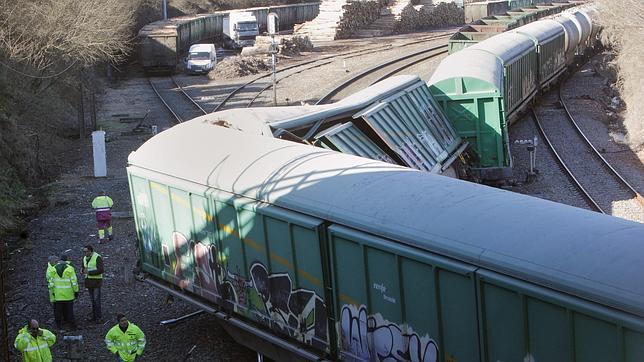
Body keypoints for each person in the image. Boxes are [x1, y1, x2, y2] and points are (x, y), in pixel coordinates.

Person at [52, 254, 79, 331]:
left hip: (58, 294)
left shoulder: (53, 269)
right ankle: (72, 326)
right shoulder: (70, 269)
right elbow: (74, 282)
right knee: (70, 311)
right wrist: (76, 291)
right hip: (68, 294)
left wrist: (53, 292)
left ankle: (58, 325)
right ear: (66, 260)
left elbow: (51, 282)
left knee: (58, 311)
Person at [81, 244, 104, 323]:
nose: (85, 253)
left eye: (86, 251)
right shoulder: (84, 258)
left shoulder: (97, 257)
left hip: (96, 282)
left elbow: (101, 270)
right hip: (89, 282)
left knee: (96, 300)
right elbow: (83, 267)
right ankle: (94, 316)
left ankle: (99, 317)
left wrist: (89, 272)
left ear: (91, 251)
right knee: (92, 300)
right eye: (84, 252)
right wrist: (82, 271)